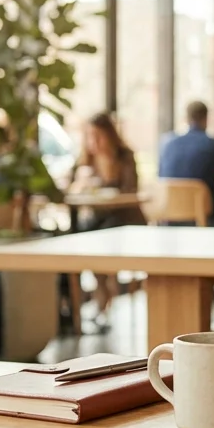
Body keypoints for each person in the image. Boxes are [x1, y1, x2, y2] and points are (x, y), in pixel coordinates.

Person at [67, 112, 145, 315]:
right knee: (83, 233)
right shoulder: (85, 161)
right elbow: (67, 189)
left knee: (99, 234)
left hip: (125, 219)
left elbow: (130, 191)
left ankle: (104, 291)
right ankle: (100, 290)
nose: (94, 142)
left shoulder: (124, 158)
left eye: (98, 136)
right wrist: (79, 184)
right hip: (97, 219)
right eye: (90, 136)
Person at [157, 101, 214, 224]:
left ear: (186, 118)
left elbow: (161, 177)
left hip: (168, 219)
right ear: (206, 119)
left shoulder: (166, 144)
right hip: (205, 220)